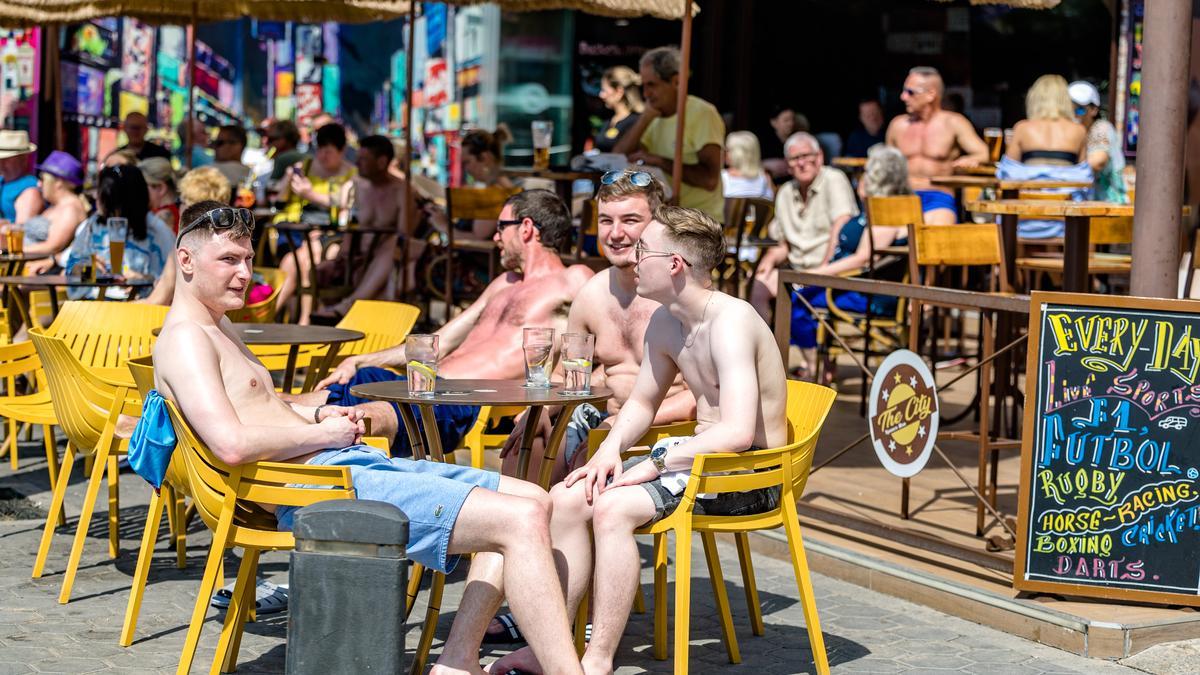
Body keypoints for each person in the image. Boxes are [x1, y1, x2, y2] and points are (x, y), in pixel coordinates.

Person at [153, 200, 584, 675]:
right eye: (229, 261)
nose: (245, 274)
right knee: (519, 519)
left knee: (536, 499)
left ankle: (458, 660)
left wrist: (314, 410)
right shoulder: (187, 339)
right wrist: (326, 431)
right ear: (186, 260)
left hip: (338, 468)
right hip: (316, 486)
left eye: (249, 260)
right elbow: (230, 443)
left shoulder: (216, 324)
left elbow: (250, 404)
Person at [487, 205, 787, 675]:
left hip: (746, 475)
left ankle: (599, 658)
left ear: (675, 265)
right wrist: (608, 452)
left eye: (645, 249)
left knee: (612, 508)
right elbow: (643, 405)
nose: (632, 256)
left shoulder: (732, 321)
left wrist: (659, 459)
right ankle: (553, 648)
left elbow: (738, 431)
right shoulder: (668, 321)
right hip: (697, 464)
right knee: (570, 495)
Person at [306, 190, 594, 455]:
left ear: (527, 227)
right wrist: (362, 360)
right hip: (420, 386)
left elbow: (595, 355)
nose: (496, 238)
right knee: (297, 403)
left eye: (500, 228)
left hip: (460, 402)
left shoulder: (573, 279)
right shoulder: (503, 283)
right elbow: (437, 343)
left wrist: (546, 404)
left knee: (350, 420)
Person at [789, 144, 912, 378]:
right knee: (801, 295)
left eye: (867, 171)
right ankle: (821, 364)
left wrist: (817, 273)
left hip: (869, 292)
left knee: (799, 299)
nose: (862, 177)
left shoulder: (888, 213)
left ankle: (816, 367)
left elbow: (863, 259)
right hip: (854, 284)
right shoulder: (883, 206)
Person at [749, 132, 859, 320]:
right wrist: (768, 262)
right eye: (795, 158)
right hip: (795, 272)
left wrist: (823, 268)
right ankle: (762, 345)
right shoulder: (785, 192)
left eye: (807, 155)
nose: (802, 162)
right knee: (759, 283)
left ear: (820, 157)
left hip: (831, 271)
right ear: (788, 165)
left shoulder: (833, 179)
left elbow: (841, 227)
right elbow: (784, 244)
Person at [613, 46, 725, 223]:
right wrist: (643, 120)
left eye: (652, 85)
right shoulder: (653, 117)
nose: (646, 94)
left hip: (699, 223)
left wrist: (659, 161)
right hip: (663, 219)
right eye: (644, 86)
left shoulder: (702, 113)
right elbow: (617, 159)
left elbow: (709, 180)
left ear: (676, 81)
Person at [312, 134, 405, 321]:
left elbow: (406, 234)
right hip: (355, 254)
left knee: (394, 243)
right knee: (316, 268)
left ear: (382, 161)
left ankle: (350, 305)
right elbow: (348, 220)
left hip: (386, 257)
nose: (357, 163)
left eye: (364, 159)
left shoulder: (401, 190)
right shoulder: (357, 186)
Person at [274, 122, 357, 325]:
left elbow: (343, 202)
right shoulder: (305, 167)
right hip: (296, 230)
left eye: (328, 152)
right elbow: (278, 198)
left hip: (330, 233)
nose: (322, 156)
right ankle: (273, 313)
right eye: (319, 150)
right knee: (291, 263)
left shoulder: (351, 174)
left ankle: (302, 319)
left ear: (342, 151)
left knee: (303, 262)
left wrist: (309, 193)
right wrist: (287, 180)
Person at [886, 66, 989, 224]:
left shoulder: (953, 122)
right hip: (901, 196)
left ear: (931, 94)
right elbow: (885, 164)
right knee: (872, 238)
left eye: (910, 92)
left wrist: (971, 160)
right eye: (904, 91)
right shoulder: (897, 125)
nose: (903, 97)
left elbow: (983, 153)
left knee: (936, 237)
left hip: (938, 198)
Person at [1000, 75, 1093, 239]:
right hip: (1065, 223)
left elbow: (1006, 174)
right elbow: (1084, 177)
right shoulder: (1078, 131)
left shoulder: (1023, 128)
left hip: (1024, 221)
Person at [63, 165, 174, 300]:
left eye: (102, 195)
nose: (95, 197)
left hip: (138, 310)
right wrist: (87, 269)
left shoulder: (157, 232)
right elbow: (73, 274)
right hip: (93, 307)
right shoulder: (94, 225)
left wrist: (143, 280)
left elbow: (172, 285)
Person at [137, 167, 233, 306]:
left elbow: (157, 301)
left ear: (190, 208)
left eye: (180, 202)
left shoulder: (185, 248)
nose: (178, 207)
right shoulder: (233, 244)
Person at [424, 126, 515, 241]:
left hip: (471, 257)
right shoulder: (498, 185)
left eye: (467, 162)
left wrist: (442, 225)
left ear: (484, 158)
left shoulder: (496, 191)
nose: (465, 168)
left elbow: (477, 239)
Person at [22, 151, 87, 275]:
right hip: (27, 266)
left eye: (43, 179)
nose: (39, 184)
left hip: (42, 270)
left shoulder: (70, 208)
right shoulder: (56, 206)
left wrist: (13, 251)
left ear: (58, 182)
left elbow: (53, 246)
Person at [1006, 75, 1087, 166]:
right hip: (1064, 179)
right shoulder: (1078, 130)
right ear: (1066, 99)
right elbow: (1083, 174)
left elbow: (1009, 171)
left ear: (1034, 98)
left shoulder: (1022, 128)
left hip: (1031, 180)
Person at [1069, 80, 1127, 204]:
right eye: (1069, 109)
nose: (1074, 114)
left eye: (1079, 109)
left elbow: (1098, 162)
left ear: (1094, 110)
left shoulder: (1101, 127)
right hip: (1082, 204)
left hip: (1108, 205)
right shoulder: (1070, 131)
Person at [593, 66, 644, 153]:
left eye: (604, 90)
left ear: (619, 92)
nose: (601, 95)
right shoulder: (609, 120)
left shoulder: (637, 121)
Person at [0, 129, 43, 224]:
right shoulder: (2, 181)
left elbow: (21, 231)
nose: (1, 164)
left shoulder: (30, 190)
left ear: (23, 159)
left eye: (7, 159)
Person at [722, 131, 774, 200]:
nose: (724, 153)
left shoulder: (722, 178)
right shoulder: (764, 177)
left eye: (728, 150)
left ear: (739, 154)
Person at [762, 106, 809, 180]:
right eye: (786, 120)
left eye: (792, 120)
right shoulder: (764, 143)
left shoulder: (799, 140)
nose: (790, 124)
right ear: (773, 122)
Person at [139, 157, 182, 232]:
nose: (138, 191)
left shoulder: (160, 217)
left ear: (161, 188)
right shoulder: (183, 209)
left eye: (142, 186)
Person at [263, 119, 306, 185]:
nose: (267, 143)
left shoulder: (284, 158)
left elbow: (271, 188)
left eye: (271, 139)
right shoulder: (299, 155)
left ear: (284, 140)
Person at [211, 124, 251, 189]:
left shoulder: (215, 171)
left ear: (237, 145)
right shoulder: (250, 175)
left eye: (219, 142)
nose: (214, 146)